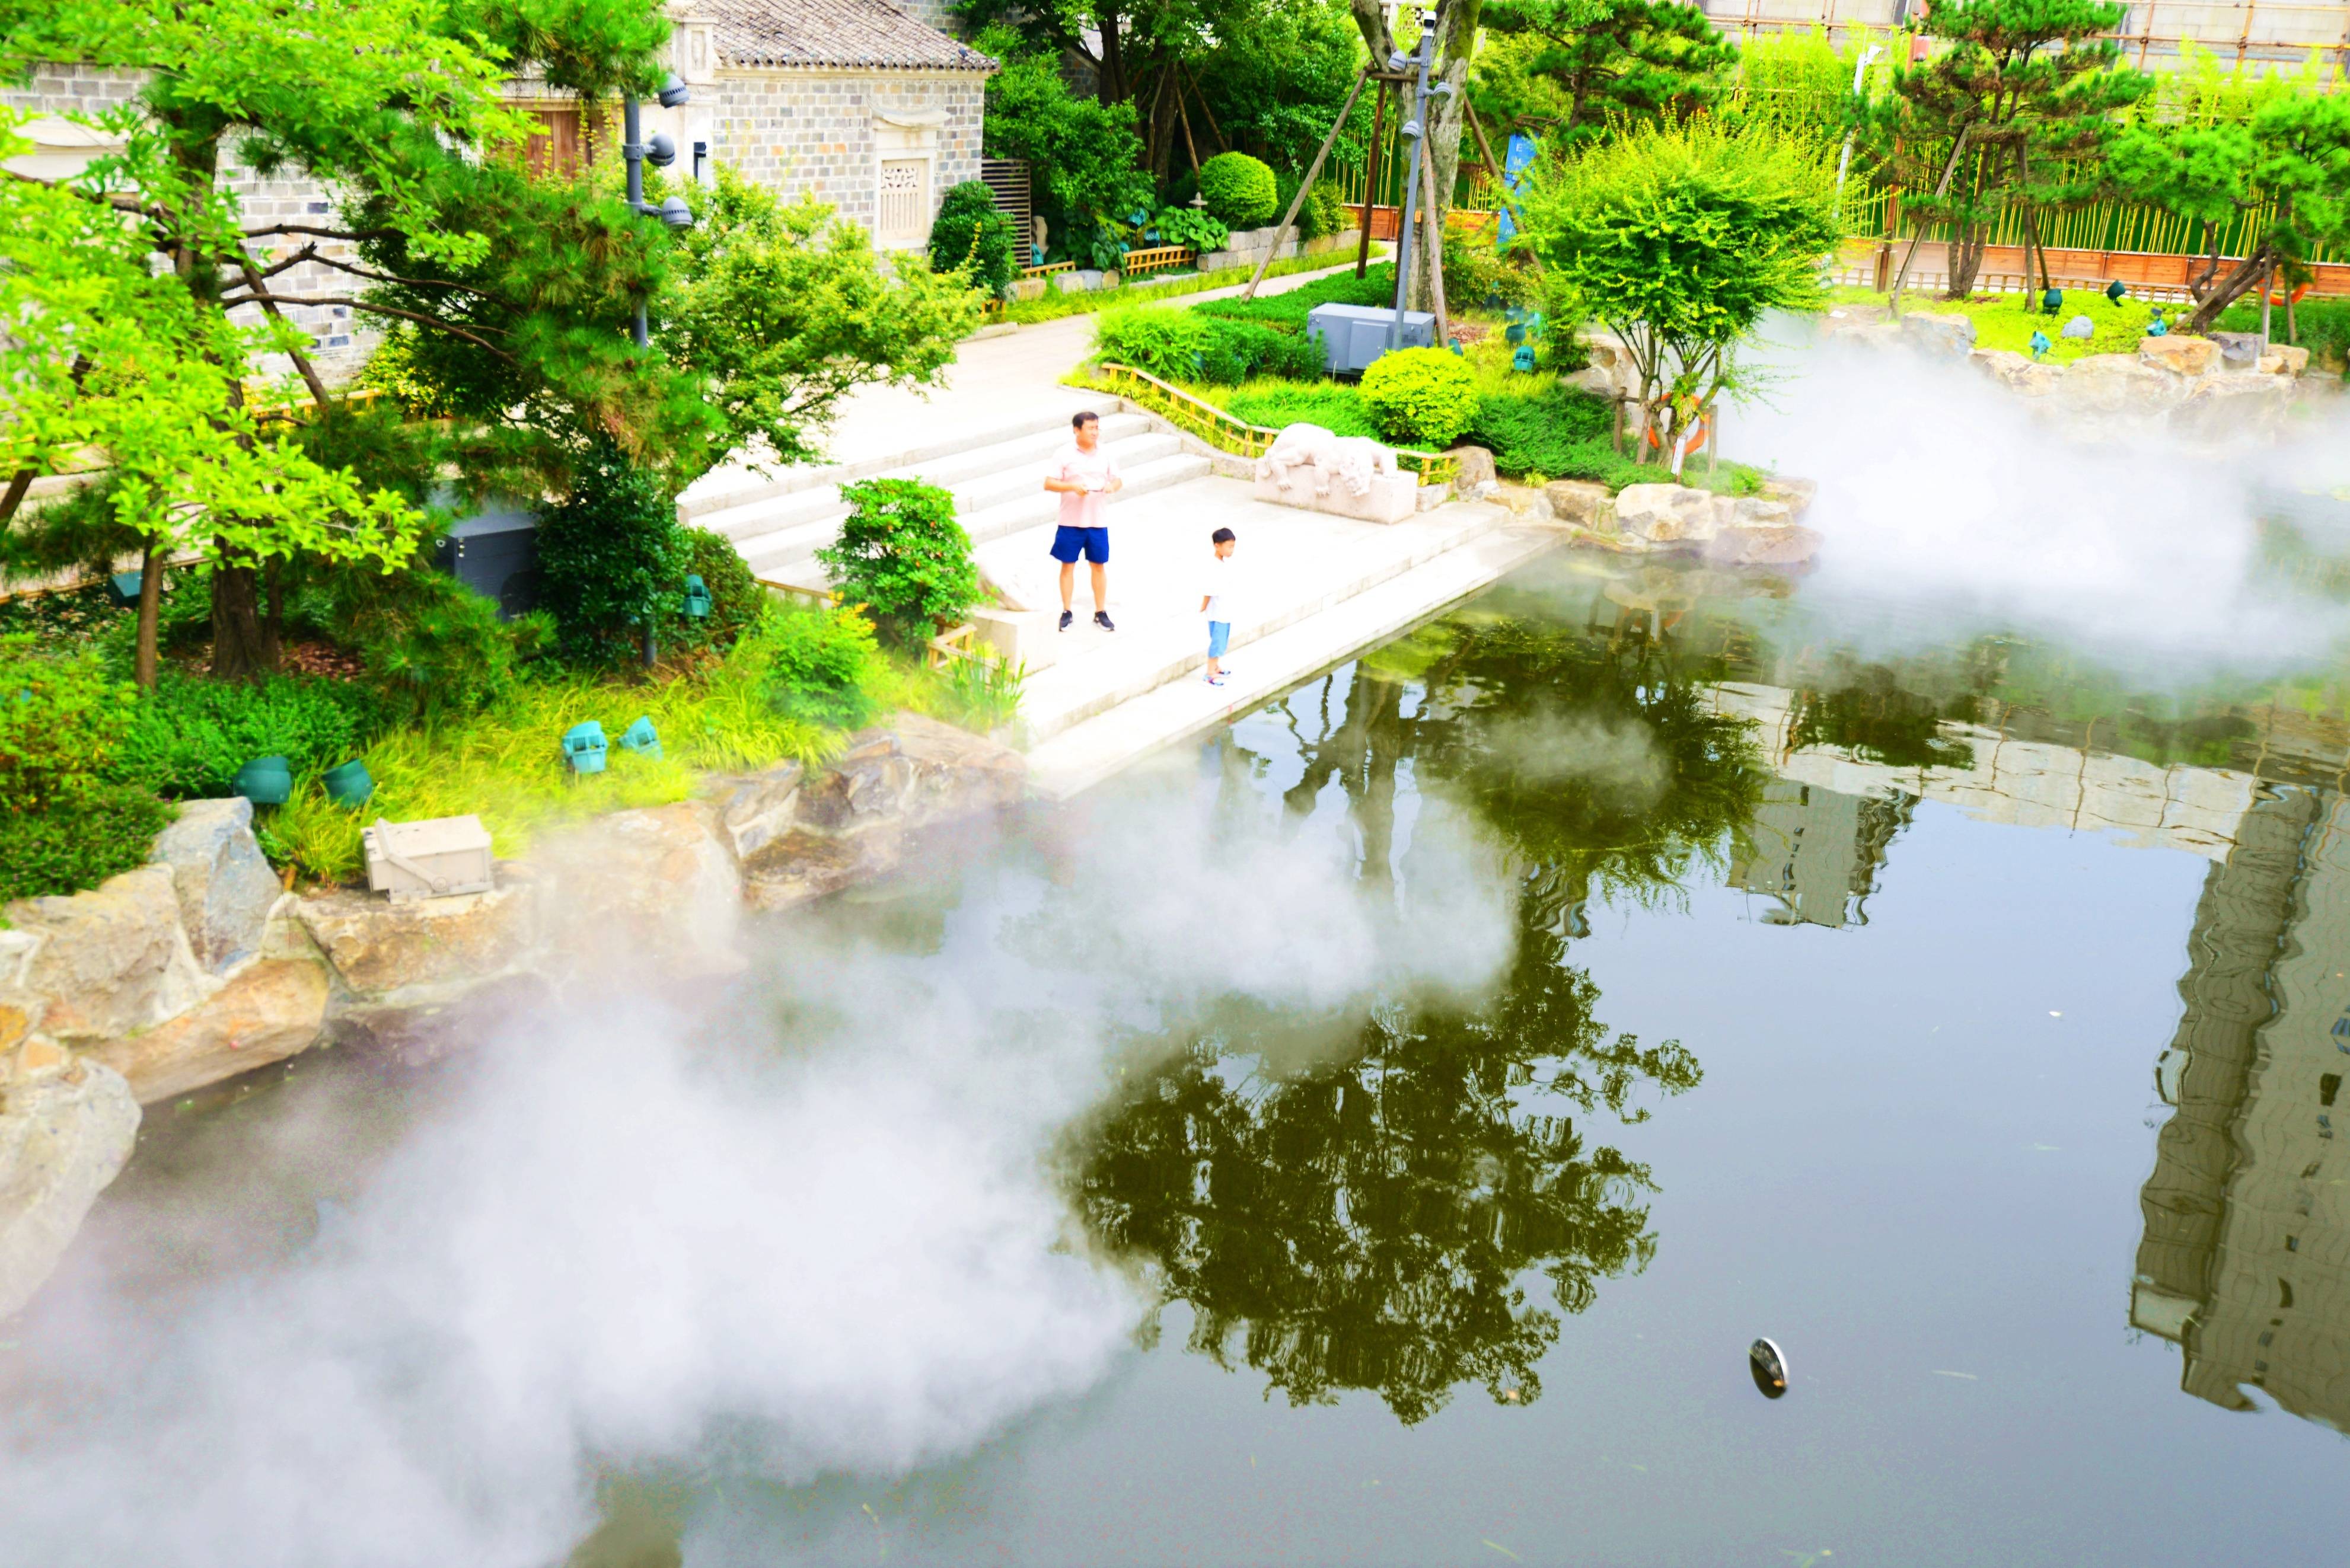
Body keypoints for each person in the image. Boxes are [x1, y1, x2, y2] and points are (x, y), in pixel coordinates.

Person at [1042, 409, 1123, 632]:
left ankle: (1101, 612)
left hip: (1097, 521)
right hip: (1070, 521)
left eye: (1097, 428)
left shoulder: (1105, 453)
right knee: (1068, 565)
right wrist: (1072, 487)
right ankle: (1067, 611)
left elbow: (1117, 481)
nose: (1095, 432)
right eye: (1090, 428)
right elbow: (1049, 483)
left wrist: (1111, 487)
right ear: (1077, 430)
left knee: (1099, 566)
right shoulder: (1064, 454)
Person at [1199, 526, 1238, 686]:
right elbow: (1209, 590)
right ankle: (1210, 673)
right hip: (1218, 613)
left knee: (1222, 641)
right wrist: (1204, 606)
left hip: (1225, 610)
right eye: (1229, 547)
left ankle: (1216, 667)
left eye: (1233, 547)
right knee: (1217, 642)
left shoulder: (1222, 563)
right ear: (1217, 545)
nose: (1232, 550)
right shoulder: (1213, 566)